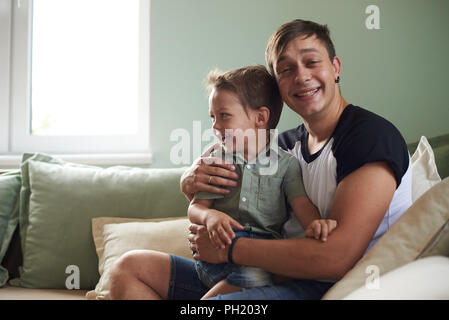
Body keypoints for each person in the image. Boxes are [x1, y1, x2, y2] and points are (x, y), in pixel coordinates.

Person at [108, 19, 412, 300]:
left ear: (335, 67)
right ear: (277, 85)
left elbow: (334, 259)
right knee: (130, 269)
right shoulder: (282, 146)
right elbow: (214, 189)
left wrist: (230, 249)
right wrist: (188, 180)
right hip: (251, 271)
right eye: (286, 69)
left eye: (311, 62)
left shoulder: (369, 136)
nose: (301, 76)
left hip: (314, 284)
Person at [189, 65, 337, 299]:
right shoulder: (217, 160)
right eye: (212, 117)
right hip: (213, 260)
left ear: (260, 117)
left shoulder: (287, 164)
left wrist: (317, 224)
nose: (215, 126)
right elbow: (195, 208)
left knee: (261, 273)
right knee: (261, 275)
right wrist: (210, 216)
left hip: (258, 260)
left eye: (224, 115)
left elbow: (302, 206)